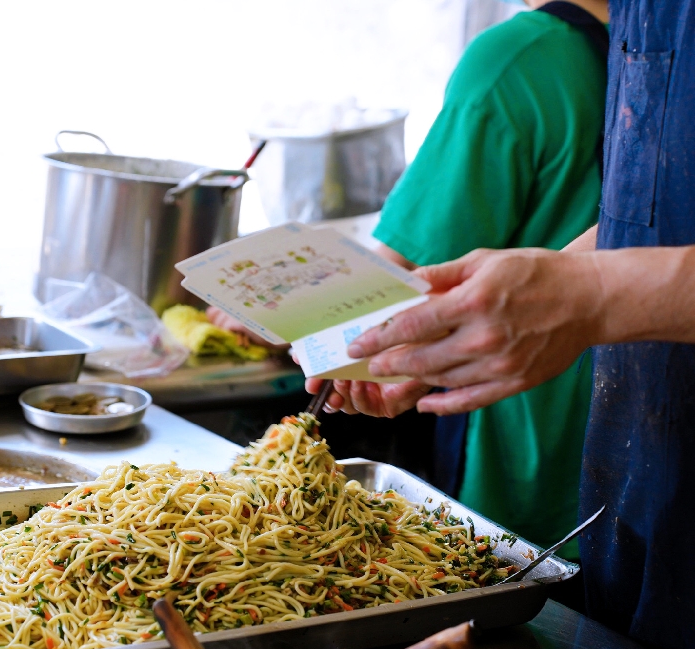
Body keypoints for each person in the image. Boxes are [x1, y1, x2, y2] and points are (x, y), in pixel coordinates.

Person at [331, 1, 695, 649]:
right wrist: (501, 305)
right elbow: (650, 217)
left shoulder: (513, 59)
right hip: (637, 479)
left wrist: (593, 293)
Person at [219, 0, 611, 562]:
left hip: (520, 410)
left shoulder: (517, 56)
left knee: (510, 583)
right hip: (621, 413)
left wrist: (272, 307)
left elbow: (398, 269)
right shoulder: (644, 66)